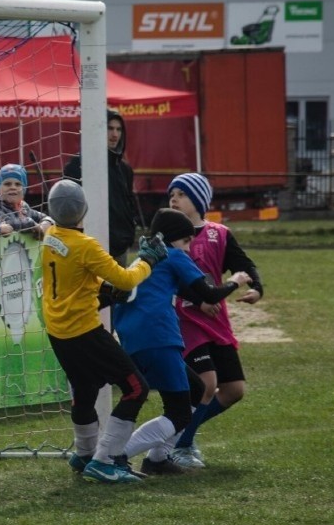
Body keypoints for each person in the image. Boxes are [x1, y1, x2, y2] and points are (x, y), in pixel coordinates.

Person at [41, 179, 168, 484]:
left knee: (84, 390)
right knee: (136, 388)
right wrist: (148, 260)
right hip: (83, 331)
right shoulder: (85, 245)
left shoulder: (50, 236)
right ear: (83, 210)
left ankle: (85, 453)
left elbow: (76, 277)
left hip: (59, 332)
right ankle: (105, 459)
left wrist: (104, 290)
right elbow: (126, 279)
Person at [112, 208, 251, 476]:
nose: (189, 249)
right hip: (158, 337)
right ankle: (115, 456)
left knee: (196, 391)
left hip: (133, 338)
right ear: (173, 239)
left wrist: (197, 300)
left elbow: (182, 291)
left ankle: (157, 459)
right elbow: (212, 294)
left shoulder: (145, 257)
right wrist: (236, 280)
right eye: (187, 241)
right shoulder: (173, 255)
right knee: (180, 411)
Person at [167, 172, 265, 469]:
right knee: (207, 384)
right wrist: (199, 299)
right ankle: (180, 446)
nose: (173, 199)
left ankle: (180, 435)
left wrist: (256, 289)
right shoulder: (167, 235)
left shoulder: (218, 233)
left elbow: (244, 265)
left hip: (217, 324)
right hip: (186, 321)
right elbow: (167, 277)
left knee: (234, 390)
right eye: (171, 195)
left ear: (198, 200)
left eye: (181, 194)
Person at [63, 110, 142, 265]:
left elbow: (128, 203)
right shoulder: (78, 164)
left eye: (118, 129)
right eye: (109, 128)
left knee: (121, 288)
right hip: (89, 246)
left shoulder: (124, 168)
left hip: (120, 246)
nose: (114, 134)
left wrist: (129, 232)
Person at [0, 163, 54, 238]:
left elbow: (46, 217)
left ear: (24, 190)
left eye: (18, 184)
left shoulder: (23, 207)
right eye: (7, 184)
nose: (13, 187)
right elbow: (4, 224)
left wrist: (45, 225)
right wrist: (31, 224)